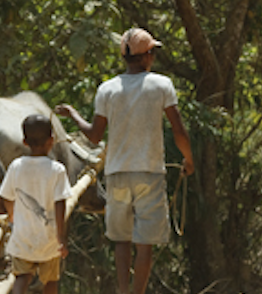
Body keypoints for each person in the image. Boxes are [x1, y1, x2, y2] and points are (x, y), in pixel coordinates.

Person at [55, 26, 195, 294]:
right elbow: (179, 130)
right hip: (150, 173)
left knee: (121, 239)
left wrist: (73, 114)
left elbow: (94, 137)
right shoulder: (161, 84)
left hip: (117, 173)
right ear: (148, 55)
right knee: (145, 244)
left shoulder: (107, 89)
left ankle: (122, 291)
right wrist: (188, 160)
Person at [0, 115, 72, 294]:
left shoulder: (16, 166)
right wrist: (61, 237)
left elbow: (6, 196)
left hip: (23, 236)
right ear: (52, 140)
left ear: (24, 141)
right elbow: (60, 204)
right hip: (49, 239)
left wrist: (12, 217)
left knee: (22, 277)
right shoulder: (57, 170)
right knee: (51, 281)